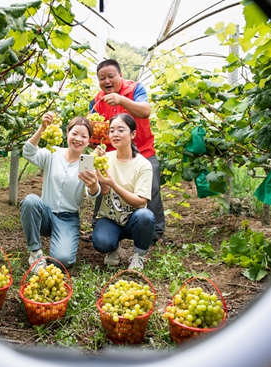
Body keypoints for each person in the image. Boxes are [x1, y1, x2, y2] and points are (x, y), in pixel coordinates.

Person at [87, 59, 166, 244]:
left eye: (111, 76)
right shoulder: (97, 100)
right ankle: (97, 226)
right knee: (102, 186)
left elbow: (145, 111)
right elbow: (93, 128)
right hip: (112, 154)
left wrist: (121, 99)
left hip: (143, 150)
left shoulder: (135, 89)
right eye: (102, 78)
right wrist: (91, 139)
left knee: (151, 189)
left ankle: (156, 233)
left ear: (120, 76)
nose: (106, 81)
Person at [20, 113, 100, 272]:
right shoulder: (53, 153)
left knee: (63, 261)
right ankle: (35, 252)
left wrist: (93, 185)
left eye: (84, 136)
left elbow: (92, 193)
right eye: (74, 133)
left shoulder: (87, 161)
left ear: (89, 140)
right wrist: (42, 128)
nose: (78, 139)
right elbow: (28, 152)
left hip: (68, 218)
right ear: (67, 133)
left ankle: (60, 240)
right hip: (45, 213)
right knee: (30, 201)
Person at [92, 114, 156, 270]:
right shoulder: (105, 158)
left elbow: (141, 202)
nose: (115, 134)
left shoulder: (143, 165)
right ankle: (112, 248)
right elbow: (105, 190)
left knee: (145, 216)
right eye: (111, 130)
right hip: (111, 218)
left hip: (134, 220)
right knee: (101, 243)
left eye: (121, 130)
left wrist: (114, 184)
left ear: (133, 134)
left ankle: (138, 256)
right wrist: (97, 172)